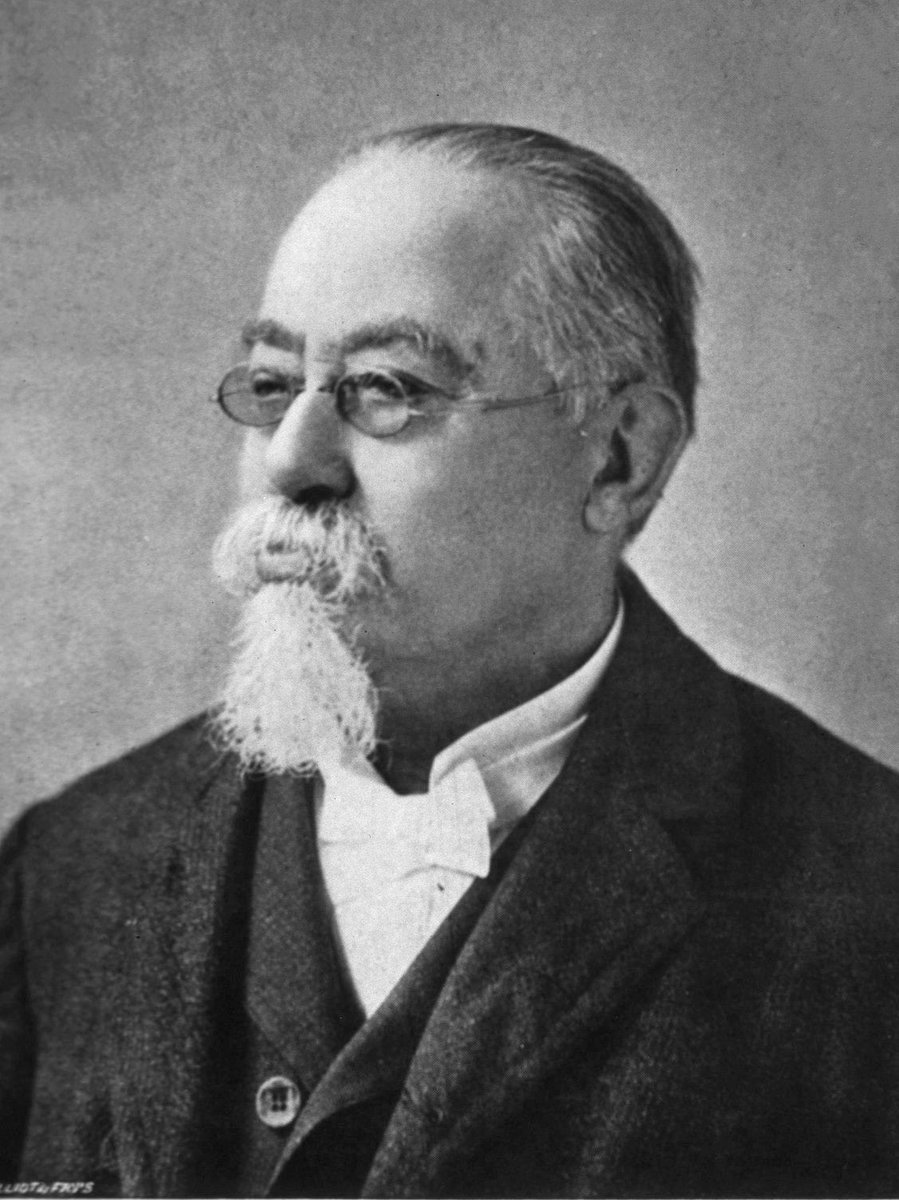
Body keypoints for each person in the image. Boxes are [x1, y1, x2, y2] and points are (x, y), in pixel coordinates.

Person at [2, 123, 898, 1199]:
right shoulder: (70, 862)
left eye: (385, 388)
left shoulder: (866, 896)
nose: (291, 461)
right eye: (272, 385)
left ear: (619, 458)